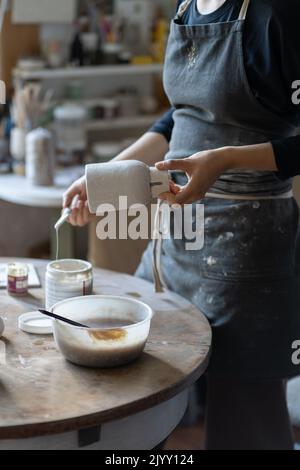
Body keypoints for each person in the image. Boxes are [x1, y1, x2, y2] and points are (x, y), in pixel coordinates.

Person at [63, 0, 300, 449]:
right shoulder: (185, 7)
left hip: (246, 255)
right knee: (150, 394)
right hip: (176, 241)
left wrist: (227, 158)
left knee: (245, 422)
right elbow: (180, 118)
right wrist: (102, 177)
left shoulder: (276, 16)